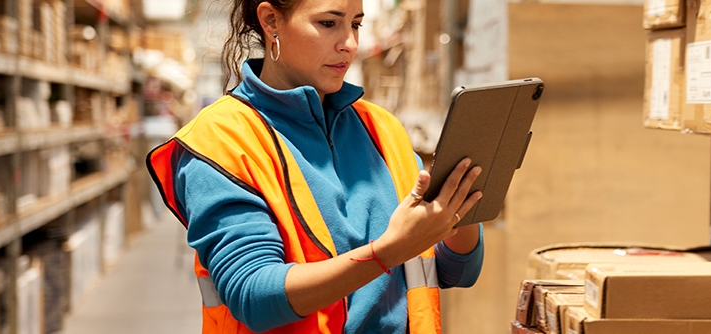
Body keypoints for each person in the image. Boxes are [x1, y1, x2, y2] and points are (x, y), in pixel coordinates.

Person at [146, 0, 485, 333]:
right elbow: (253, 297)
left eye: (356, 24)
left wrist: (460, 204)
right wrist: (389, 250)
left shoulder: (382, 129)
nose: (350, 44)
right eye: (328, 23)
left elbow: (457, 271)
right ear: (271, 21)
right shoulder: (220, 140)